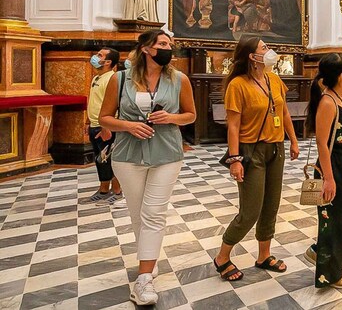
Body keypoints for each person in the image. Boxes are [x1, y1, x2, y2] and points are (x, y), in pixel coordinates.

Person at [99, 30, 196, 306]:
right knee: (137, 212)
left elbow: (191, 114)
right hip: (127, 156)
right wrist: (129, 125)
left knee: (154, 213)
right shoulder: (120, 79)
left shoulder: (179, 79)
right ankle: (148, 259)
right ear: (146, 49)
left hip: (167, 153)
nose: (168, 48)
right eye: (163, 44)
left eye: (170, 44)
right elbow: (104, 117)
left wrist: (170, 117)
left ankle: (143, 280)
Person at [213, 37, 300, 282]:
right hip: (251, 151)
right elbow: (233, 126)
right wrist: (235, 159)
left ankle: (263, 256)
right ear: (252, 56)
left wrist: (292, 140)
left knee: (271, 206)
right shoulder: (238, 85)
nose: (270, 51)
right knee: (250, 210)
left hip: (276, 149)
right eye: (264, 48)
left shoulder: (274, 79)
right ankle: (222, 256)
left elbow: (282, 111)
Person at [303, 53, 342, 290]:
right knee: (332, 222)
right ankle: (330, 274)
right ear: (341, 75)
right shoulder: (328, 102)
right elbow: (322, 144)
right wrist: (328, 179)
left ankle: (322, 254)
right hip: (333, 168)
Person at [86, 47, 123, 205]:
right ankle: (103, 189)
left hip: (106, 127)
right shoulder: (97, 78)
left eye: (99, 55)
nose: (95, 57)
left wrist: (107, 126)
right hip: (95, 124)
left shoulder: (111, 79)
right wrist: (88, 122)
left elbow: (114, 105)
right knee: (100, 159)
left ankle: (117, 191)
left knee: (110, 159)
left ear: (108, 62)